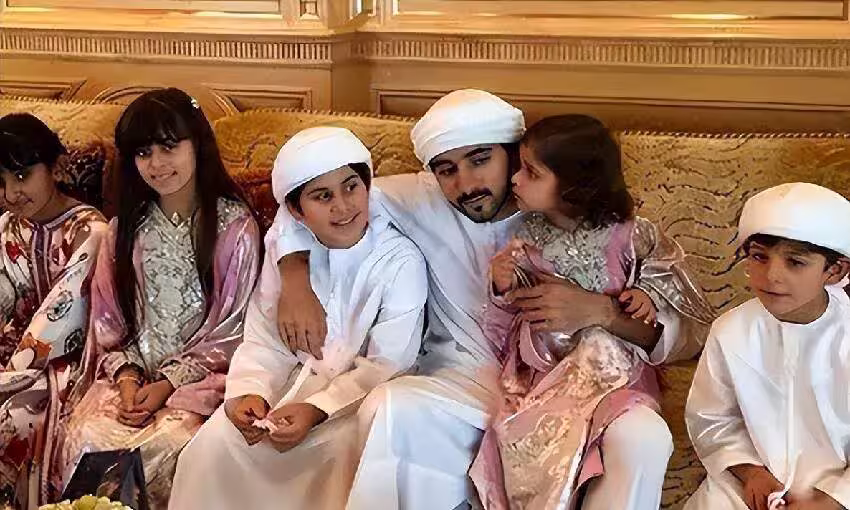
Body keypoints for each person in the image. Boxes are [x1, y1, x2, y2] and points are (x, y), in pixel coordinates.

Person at [275, 90, 707, 510]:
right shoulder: (419, 199)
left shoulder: (573, 210)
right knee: (391, 407)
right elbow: (305, 192)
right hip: (462, 382)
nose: (466, 184)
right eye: (446, 169)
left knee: (645, 436)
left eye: (480, 159)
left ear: (516, 155)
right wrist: (294, 277)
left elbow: (686, 332)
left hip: (574, 385)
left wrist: (603, 311)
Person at [169, 126, 427, 510]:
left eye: (351, 187)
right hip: (292, 386)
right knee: (216, 442)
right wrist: (250, 391)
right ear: (296, 211)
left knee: (342, 453)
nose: (343, 206)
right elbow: (264, 339)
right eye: (323, 196)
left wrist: (318, 408)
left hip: (356, 400)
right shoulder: (290, 259)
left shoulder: (400, 261)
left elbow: (388, 363)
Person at [469, 115, 714, 510]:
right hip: (546, 380)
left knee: (641, 437)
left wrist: (645, 297)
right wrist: (501, 287)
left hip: (617, 378)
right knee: (531, 441)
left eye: (531, 172)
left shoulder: (632, 235)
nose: (514, 179)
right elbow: (501, 327)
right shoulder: (524, 241)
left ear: (573, 185)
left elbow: (678, 300)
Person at [48, 88, 261, 507]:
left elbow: (233, 328)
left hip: (204, 386)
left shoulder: (234, 229)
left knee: (169, 445)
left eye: (169, 147)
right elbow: (107, 321)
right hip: (129, 381)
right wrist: (128, 377)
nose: (158, 164)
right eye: (144, 153)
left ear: (197, 144)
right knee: (87, 434)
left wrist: (169, 383)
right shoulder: (124, 230)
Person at [685, 182, 850, 510]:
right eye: (759, 257)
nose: (771, 275)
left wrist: (834, 498)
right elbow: (712, 418)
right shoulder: (731, 330)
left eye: (795, 262)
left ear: (834, 271)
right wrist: (750, 472)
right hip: (748, 486)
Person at [0, 113, 107, 508]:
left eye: (22, 176)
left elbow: (61, 322)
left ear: (56, 168)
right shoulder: (8, 227)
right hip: (10, 355)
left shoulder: (90, 231)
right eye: (0, 182)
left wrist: (8, 375)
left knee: (15, 417)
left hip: (63, 364)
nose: (11, 193)